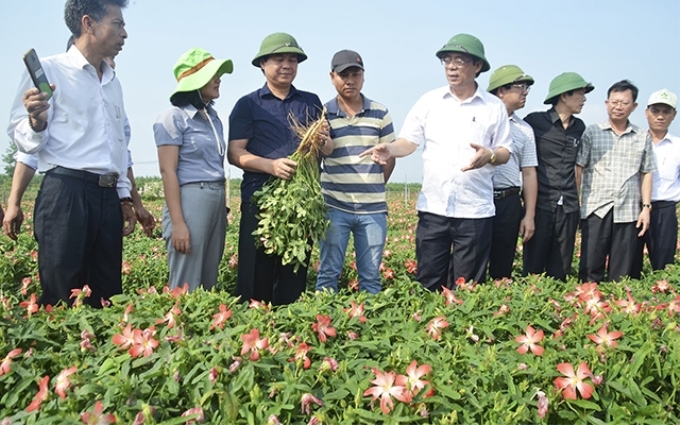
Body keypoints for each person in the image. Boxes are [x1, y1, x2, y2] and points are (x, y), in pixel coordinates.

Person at [7, 0, 134, 307]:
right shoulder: (51, 70)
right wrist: (37, 122)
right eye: (118, 24)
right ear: (88, 23)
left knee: (105, 296)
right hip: (66, 195)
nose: (125, 34)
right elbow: (21, 137)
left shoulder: (112, 81)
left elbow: (117, 146)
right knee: (62, 295)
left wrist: (124, 196)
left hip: (106, 198)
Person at [361, 33, 512, 289]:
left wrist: (490, 155)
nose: (451, 66)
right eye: (447, 60)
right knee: (428, 281)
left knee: (467, 288)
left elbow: (505, 151)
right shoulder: (429, 101)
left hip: (474, 211)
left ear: (477, 66)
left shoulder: (493, 107)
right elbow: (408, 142)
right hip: (434, 209)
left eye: (460, 60)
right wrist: (390, 149)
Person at [4, 41, 155, 240]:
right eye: (107, 59)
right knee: (65, 269)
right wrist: (14, 202)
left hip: (107, 195)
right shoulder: (55, 74)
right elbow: (28, 154)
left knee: (105, 271)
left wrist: (127, 200)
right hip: (68, 190)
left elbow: (119, 153)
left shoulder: (113, 88)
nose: (112, 64)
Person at [228, 32, 330, 305]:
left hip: (301, 201)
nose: (287, 65)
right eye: (279, 59)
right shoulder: (247, 104)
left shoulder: (310, 102)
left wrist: (321, 142)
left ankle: (288, 331)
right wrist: (270, 166)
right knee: (255, 273)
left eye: (293, 60)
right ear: (263, 63)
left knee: (293, 273)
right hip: (260, 199)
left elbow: (325, 149)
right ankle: (253, 331)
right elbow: (235, 153)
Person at [315, 50, 395, 294]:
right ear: (332, 77)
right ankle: (323, 325)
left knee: (370, 277)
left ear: (363, 76)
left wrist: (373, 186)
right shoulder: (324, 113)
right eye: (343, 75)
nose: (350, 80)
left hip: (373, 210)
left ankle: (370, 328)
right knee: (329, 272)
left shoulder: (380, 112)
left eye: (355, 74)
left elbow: (389, 157)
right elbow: (318, 155)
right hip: (334, 207)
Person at [153, 47, 233, 292]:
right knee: (186, 281)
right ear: (195, 81)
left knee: (209, 278)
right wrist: (178, 223)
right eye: (212, 75)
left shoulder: (212, 116)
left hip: (215, 199)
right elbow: (168, 172)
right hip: (190, 199)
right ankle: (178, 330)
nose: (218, 79)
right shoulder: (173, 117)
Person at [577, 80, 657, 283]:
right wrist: (576, 203)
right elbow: (579, 167)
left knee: (622, 273)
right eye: (614, 102)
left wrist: (646, 207)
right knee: (590, 267)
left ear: (634, 106)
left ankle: (616, 309)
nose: (618, 107)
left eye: (624, 103)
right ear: (606, 103)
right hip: (596, 207)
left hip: (628, 210)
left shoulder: (641, 136)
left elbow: (646, 172)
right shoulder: (592, 132)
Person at [522, 72, 593, 280]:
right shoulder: (535, 122)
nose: (584, 99)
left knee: (561, 268)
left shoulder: (579, 127)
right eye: (580, 93)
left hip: (569, 207)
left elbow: (579, 168)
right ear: (564, 96)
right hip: (542, 204)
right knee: (533, 268)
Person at [485, 65, 538, 279]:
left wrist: (529, 215)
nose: (525, 92)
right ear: (501, 91)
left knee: (502, 265)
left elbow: (529, 173)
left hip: (508, 202)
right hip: (479, 197)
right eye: (520, 87)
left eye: (526, 88)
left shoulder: (524, 129)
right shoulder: (480, 121)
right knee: (471, 262)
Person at [633, 89, 679, 273]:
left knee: (663, 266)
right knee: (629, 263)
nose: (660, 116)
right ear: (646, 113)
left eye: (666, 112)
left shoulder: (677, 146)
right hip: (634, 208)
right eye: (655, 111)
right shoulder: (634, 141)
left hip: (664, 211)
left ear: (674, 115)